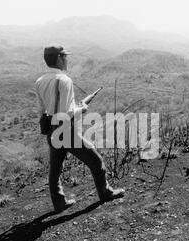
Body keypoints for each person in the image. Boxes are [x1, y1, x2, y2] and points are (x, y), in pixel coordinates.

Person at [35, 46, 125, 213]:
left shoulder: (39, 81)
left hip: (52, 131)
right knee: (96, 161)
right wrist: (82, 109)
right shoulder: (65, 80)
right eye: (65, 57)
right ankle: (105, 192)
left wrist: (72, 108)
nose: (67, 60)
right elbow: (66, 113)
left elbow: (42, 110)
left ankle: (59, 203)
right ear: (60, 58)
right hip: (66, 131)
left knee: (55, 169)